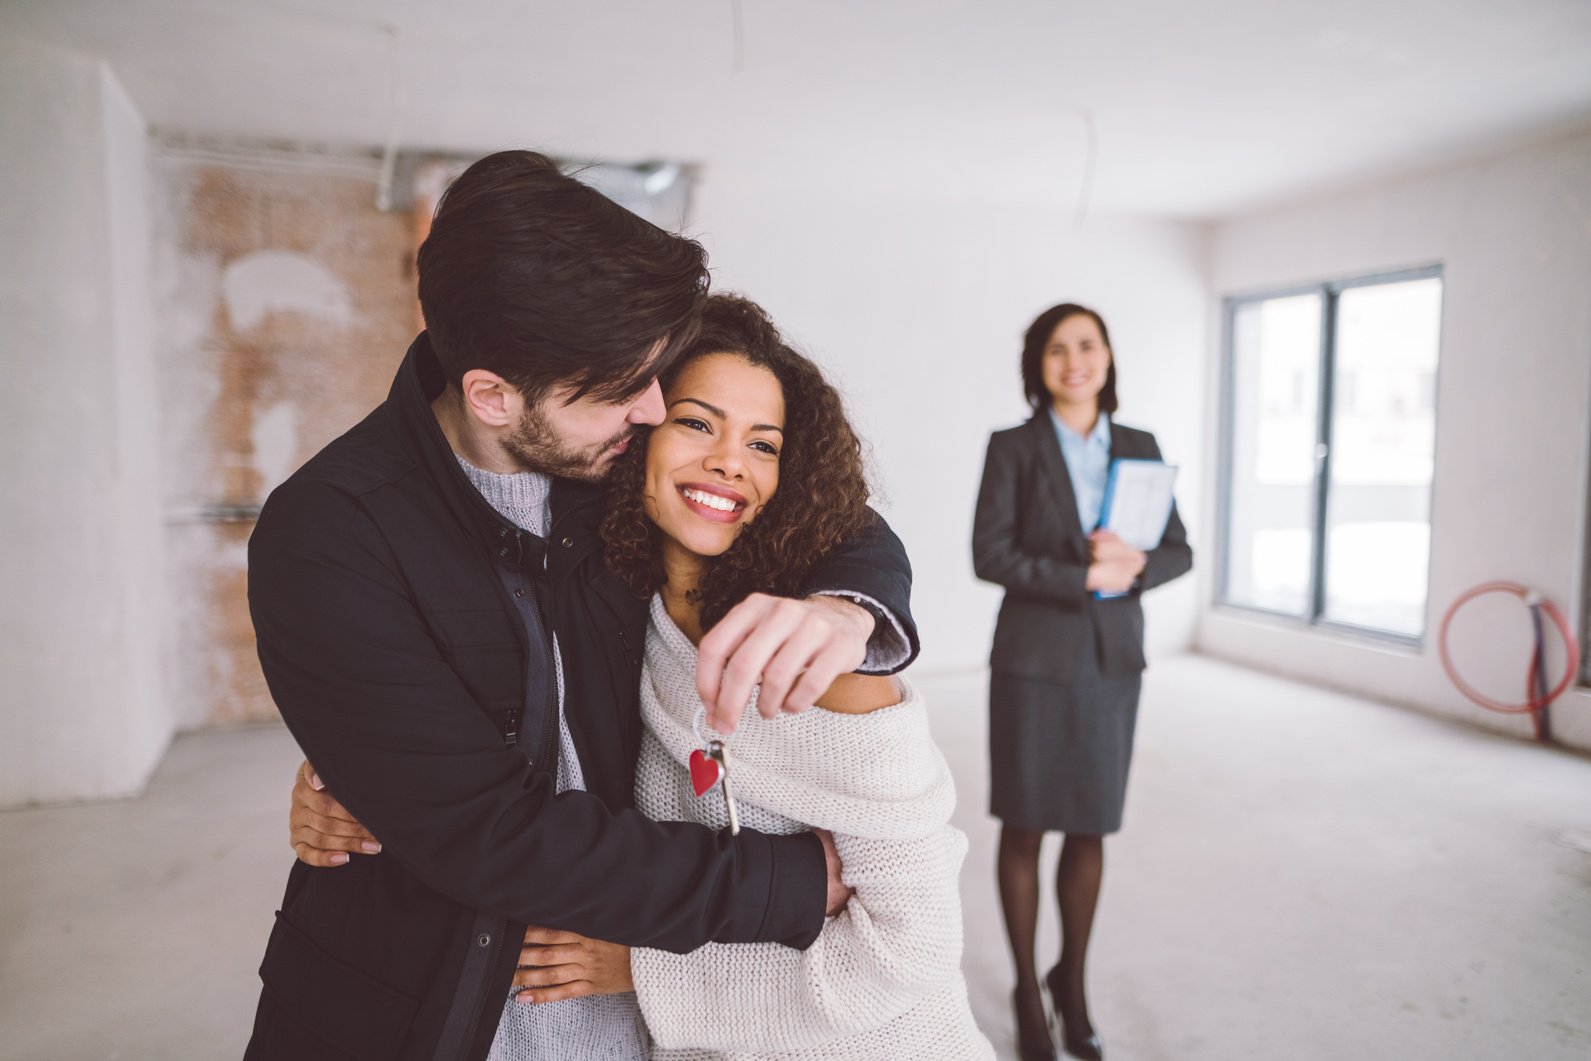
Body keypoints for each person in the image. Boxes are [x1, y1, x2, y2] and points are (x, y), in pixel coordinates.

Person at [244, 151, 920, 1061]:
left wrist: (849, 609)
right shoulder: (327, 536)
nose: (651, 407)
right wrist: (781, 885)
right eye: (617, 391)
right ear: (492, 394)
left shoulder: (609, 455)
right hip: (420, 1006)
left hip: (626, 995)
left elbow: (805, 496)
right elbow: (489, 831)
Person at [971, 303, 1192, 1061]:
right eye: (1057, 348)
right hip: (1032, 660)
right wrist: (1082, 573)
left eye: (1087, 345)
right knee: (1026, 824)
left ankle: (1074, 983)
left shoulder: (1140, 445)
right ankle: (1028, 994)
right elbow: (989, 553)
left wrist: (1133, 569)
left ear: (1107, 357)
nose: (1074, 360)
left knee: (1090, 824)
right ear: (1037, 364)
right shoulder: (1013, 447)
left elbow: (1176, 548)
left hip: (1111, 660)